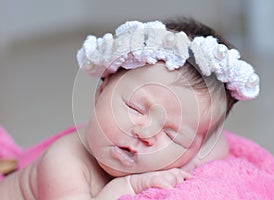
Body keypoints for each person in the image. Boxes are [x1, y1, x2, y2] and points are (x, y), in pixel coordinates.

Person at [0, 18, 260, 199]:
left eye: (171, 134)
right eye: (136, 108)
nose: (146, 132)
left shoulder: (174, 155)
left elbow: (217, 147)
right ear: (101, 93)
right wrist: (130, 184)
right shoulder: (65, 161)